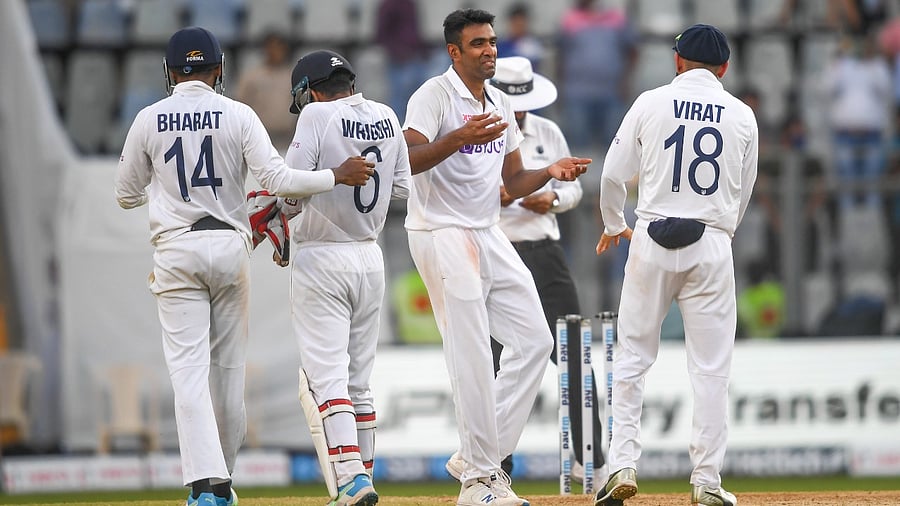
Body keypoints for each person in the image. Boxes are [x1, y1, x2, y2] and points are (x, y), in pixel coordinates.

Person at [114, 27, 373, 506]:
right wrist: (334, 175)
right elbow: (277, 179)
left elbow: (126, 194)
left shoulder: (149, 118)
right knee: (228, 374)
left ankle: (207, 489)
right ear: (218, 70)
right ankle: (223, 482)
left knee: (189, 374)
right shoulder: (238, 113)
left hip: (177, 247)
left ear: (170, 72)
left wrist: (169, 194)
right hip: (231, 247)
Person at [402, 9, 591, 506]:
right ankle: (480, 483)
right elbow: (407, 159)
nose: (489, 50)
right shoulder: (433, 95)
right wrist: (459, 138)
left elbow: (513, 182)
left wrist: (550, 169)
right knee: (470, 353)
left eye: (492, 41)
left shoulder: (502, 101)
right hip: (441, 232)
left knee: (533, 341)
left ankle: (475, 458)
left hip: (487, 231)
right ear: (454, 52)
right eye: (478, 43)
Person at [594, 24, 758, 506]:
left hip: (651, 237)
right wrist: (721, 233)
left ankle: (622, 464)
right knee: (711, 368)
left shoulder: (650, 101)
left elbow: (611, 175)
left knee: (632, 359)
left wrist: (611, 223)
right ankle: (706, 481)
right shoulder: (743, 115)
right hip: (712, 242)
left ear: (678, 61)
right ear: (724, 68)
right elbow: (742, 193)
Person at [284, 49, 411, 506]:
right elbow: (400, 188)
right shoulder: (386, 115)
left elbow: (289, 184)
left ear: (311, 91)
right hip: (370, 256)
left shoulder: (316, 115)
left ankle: (352, 478)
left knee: (328, 379)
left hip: (321, 256)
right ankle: (365, 479)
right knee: (359, 381)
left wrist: (286, 216)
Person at [484, 55, 607, 486]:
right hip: (496, 249)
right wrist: (492, 198)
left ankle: (587, 456)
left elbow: (571, 186)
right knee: (497, 361)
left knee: (571, 348)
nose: (516, 112)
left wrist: (550, 200)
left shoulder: (546, 131)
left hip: (542, 249)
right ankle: (496, 463)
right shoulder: (481, 131)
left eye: (522, 104)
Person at [557, 0, 639, 152]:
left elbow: (632, 51)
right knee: (579, 148)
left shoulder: (617, 18)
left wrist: (625, 81)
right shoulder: (570, 19)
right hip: (577, 94)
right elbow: (561, 56)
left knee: (614, 147)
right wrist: (560, 89)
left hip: (611, 92)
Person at [235, 31, 296, 150]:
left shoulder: (293, 76)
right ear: (264, 49)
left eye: (278, 47)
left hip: (287, 138)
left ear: (285, 49)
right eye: (270, 47)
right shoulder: (251, 76)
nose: (274, 51)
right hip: (259, 137)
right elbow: (240, 105)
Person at [375, 0, 430, 123]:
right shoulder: (389, 5)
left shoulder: (409, 4)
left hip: (415, 56)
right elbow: (381, 33)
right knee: (399, 99)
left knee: (420, 97)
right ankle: (397, 133)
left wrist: (423, 50)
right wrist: (396, 51)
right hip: (399, 59)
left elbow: (415, 31)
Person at [496, 3, 545, 72]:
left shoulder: (533, 46)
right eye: (515, 23)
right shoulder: (500, 46)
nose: (518, 27)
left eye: (521, 24)